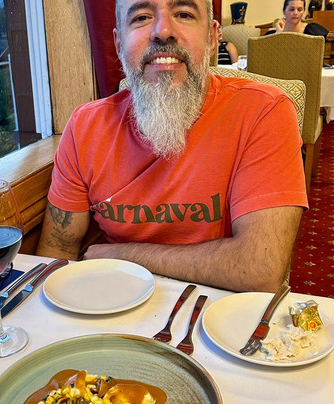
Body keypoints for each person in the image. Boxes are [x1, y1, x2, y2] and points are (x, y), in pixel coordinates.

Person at [37, 0, 308, 293]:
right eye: (141, 17)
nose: (163, 31)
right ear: (118, 44)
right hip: (114, 300)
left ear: (212, 37)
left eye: (184, 14)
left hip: (221, 308)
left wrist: (121, 254)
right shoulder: (84, 126)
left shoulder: (264, 111)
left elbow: (260, 269)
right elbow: (56, 251)